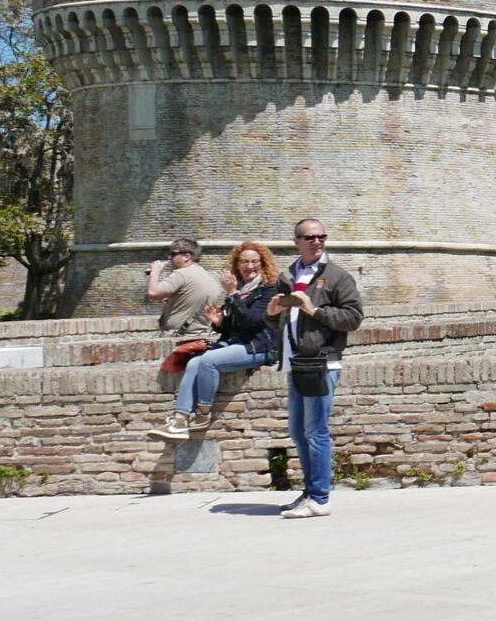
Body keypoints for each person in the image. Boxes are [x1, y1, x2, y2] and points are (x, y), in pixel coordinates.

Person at [269, 219, 364, 517]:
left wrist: (316, 311)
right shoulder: (288, 275)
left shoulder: (337, 277)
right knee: (298, 431)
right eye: (310, 237)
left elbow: (353, 317)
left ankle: (320, 498)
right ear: (296, 241)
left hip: (322, 362)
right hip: (296, 362)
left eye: (321, 236)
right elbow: (282, 322)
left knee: (316, 431)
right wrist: (272, 315)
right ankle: (309, 492)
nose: (317, 242)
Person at [150, 241, 282, 441]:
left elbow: (253, 322)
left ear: (263, 264)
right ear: (237, 265)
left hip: (260, 347)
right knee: (194, 362)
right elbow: (233, 328)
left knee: (208, 361)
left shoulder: (268, 290)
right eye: (244, 262)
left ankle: (203, 413)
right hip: (239, 345)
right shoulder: (241, 290)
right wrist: (219, 323)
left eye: (255, 262)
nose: (250, 266)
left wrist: (232, 293)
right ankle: (179, 419)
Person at [146, 237, 221, 339]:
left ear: (186, 256)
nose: (169, 258)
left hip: (178, 337)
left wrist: (155, 272)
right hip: (202, 336)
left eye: (173, 254)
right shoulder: (209, 277)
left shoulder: (181, 274)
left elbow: (153, 293)